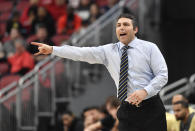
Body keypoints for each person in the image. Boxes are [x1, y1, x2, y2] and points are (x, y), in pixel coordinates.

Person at [31, 13, 168, 131]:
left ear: (135, 29)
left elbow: (162, 75)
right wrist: (53, 49)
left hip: (152, 107)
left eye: (126, 24)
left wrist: (145, 91)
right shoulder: (109, 51)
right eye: (118, 25)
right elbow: (81, 53)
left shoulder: (149, 48)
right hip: (127, 108)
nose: (121, 27)